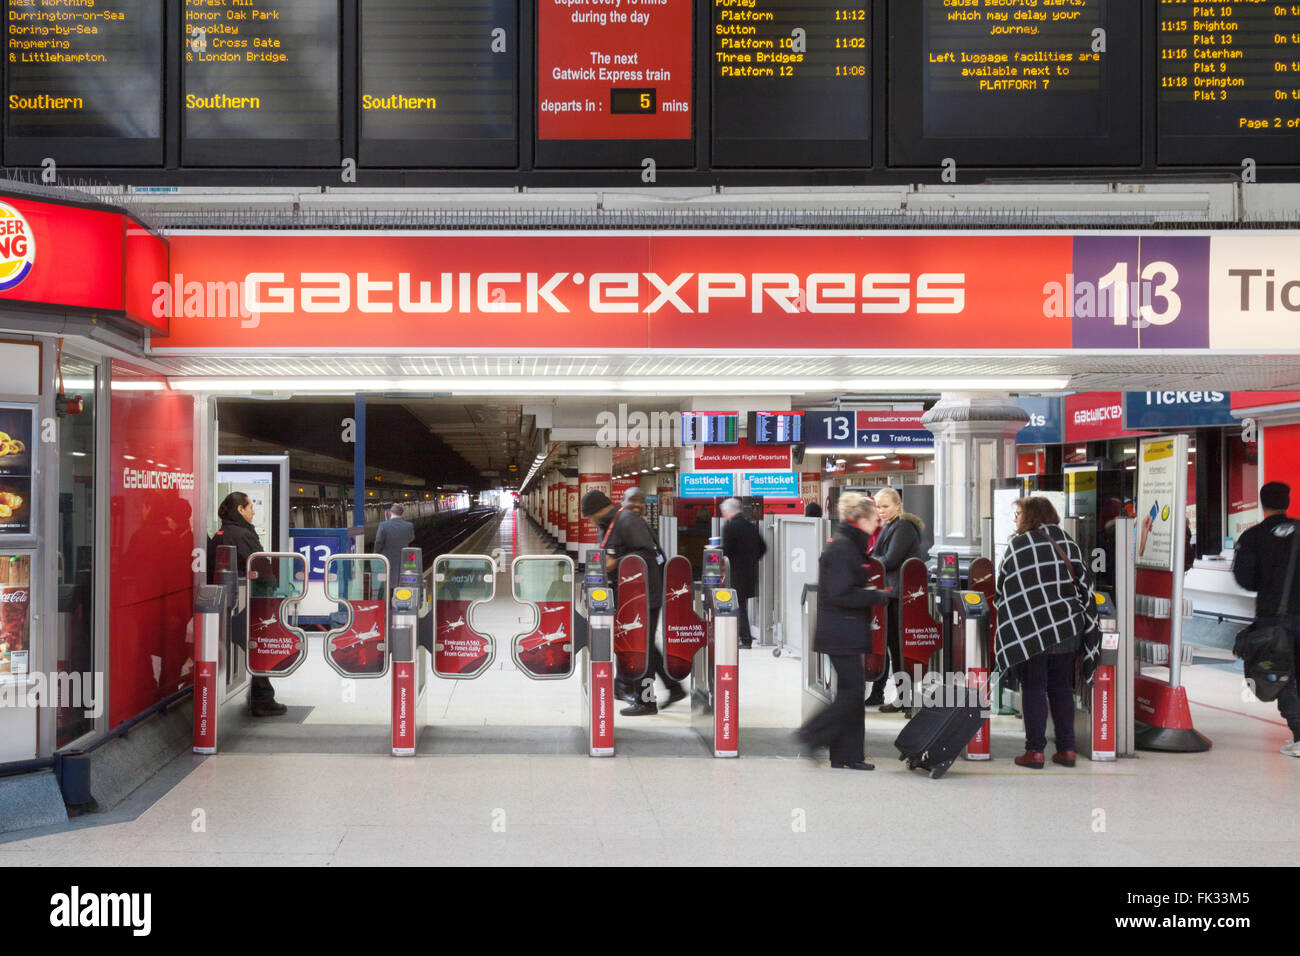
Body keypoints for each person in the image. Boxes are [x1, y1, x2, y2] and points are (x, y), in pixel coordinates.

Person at [993, 496, 1102, 769]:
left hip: (1031, 631)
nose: (1015, 518)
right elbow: (1085, 585)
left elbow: (1004, 586)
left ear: (1030, 515)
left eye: (1018, 513)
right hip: (1066, 628)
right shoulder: (1068, 542)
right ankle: (1067, 750)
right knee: (1061, 689)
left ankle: (1035, 751)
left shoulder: (1019, 545)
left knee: (1033, 689)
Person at [796, 493, 892, 770]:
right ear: (861, 519)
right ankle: (812, 733)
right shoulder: (843, 548)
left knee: (850, 692)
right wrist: (874, 595)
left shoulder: (850, 545)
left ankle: (845, 755)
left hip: (845, 630)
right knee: (852, 694)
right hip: (842, 632)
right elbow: (840, 594)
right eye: (874, 518)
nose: (877, 523)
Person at [1232, 482, 1300, 756]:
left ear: (1262, 503)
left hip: (1275, 618)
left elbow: (1244, 579)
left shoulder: (1253, 537)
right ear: (1287, 501)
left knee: (1281, 675)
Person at [605, 488, 684, 716]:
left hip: (643, 596)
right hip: (647, 594)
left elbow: (642, 556)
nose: (638, 505)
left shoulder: (629, 520)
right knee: (646, 646)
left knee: (641, 649)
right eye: (633, 500)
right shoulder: (637, 521)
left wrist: (612, 564)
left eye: (641, 501)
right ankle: (673, 687)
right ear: (623, 500)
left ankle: (646, 701)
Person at [208, 491, 285, 717]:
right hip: (248, 600)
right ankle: (262, 698)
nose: (253, 511)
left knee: (250, 645)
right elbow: (260, 566)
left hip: (229, 602)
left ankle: (261, 694)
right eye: (250, 507)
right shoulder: (241, 534)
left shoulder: (221, 533)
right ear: (240, 510)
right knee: (258, 644)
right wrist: (271, 591)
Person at [866, 487, 928, 711]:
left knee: (897, 646)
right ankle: (893, 695)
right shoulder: (891, 526)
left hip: (900, 595)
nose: (881, 511)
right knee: (890, 645)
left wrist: (870, 561)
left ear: (898, 505)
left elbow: (890, 559)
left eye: (885, 506)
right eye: (878, 506)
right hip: (891, 593)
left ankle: (905, 698)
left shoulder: (903, 527)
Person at [720, 497, 767, 648]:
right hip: (749, 572)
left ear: (729, 511)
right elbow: (763, 547)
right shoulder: (750, 526)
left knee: (738, 605)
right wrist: (752, 559)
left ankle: (745, 639)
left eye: (724, 512)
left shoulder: (730, 527)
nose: (724, 515)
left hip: (734, 572)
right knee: (741, 604)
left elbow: (726, 551)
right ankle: (743, 636)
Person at [374, 502, 416, 576]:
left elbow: (378, 542)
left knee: (387, 580)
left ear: (390, 513)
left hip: (386, 558)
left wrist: (376, 553)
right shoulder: (409, 525)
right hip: (404, 558)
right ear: (402, 514)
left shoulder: (383, 525)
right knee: (401, 578)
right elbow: (411, 538)